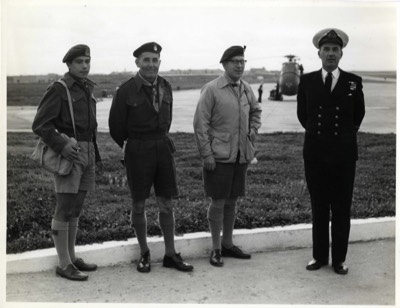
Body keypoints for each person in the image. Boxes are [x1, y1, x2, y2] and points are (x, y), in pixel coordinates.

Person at [108, 42, 193, 273]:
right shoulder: (125, 90)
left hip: (163, 148)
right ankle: (144, 252)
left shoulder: (166, 86)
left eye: (155, 60)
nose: (151, 65)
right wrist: (133, 146)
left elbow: (167, 117)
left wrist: (158, 140)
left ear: (160, 63)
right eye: (146, 60)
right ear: (137, 63)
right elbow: (115, 126)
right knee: (139, 204)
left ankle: (170, 254)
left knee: (166, 203)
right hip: (138, 150)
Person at [297, 28, 365, 275]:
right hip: (315, 154)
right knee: (319, 207)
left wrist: (341, 138)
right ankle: (318, 257)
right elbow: (303, 116)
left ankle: (339, 260)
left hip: (344, 156)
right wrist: (321, 137)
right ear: (319, 53)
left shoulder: (353, 82)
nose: (330, 54)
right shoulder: (307, 81)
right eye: (326, 49)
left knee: (341, 208)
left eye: (335, 49)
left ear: (341, 53)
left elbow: (358, 115)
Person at [32, 44, 103, 281]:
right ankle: (63, 264)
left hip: (87, 152)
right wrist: (62, 145)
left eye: (87, 61)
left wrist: (94, 154)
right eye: (80, 62)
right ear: (69, 65)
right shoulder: (59, 89)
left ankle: (71, 257)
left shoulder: (86, 88)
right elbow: (40, 125)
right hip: (69, 153)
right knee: (64, 207)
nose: (85, 66)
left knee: (76, 207)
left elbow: (89, 127)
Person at [193, 45, 262, 267]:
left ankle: (228, 244)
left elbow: (256, 112)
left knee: (232, 201)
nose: (240, 65)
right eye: (235, 62)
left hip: (241, 156)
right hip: (219, 156)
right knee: (218, 201)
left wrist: (252, 132)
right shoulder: (211, 89)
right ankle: (215, 248)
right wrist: (207, 154)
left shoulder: (246, 88)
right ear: (224, 65)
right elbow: (200, 124)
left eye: (242, 61)